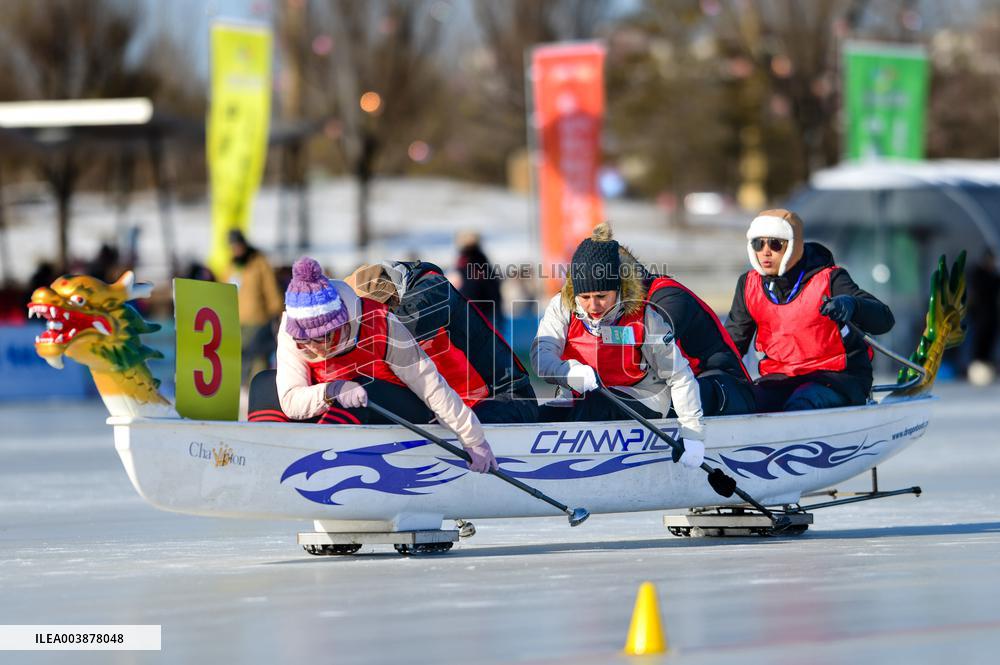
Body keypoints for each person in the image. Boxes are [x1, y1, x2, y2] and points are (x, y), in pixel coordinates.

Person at [253, 257, 497, 474]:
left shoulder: (380, 324)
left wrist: (473, 439)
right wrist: (332, 390)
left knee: (363, 388)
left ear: (341, 323)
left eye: (322, 338)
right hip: (341, 409)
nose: (314, 348)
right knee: (264, 383)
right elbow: (291, 401)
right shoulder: (290, 334)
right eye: (304, 341)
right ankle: (265, 458)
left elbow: (430, 386)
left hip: (399, 408)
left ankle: (320, 463)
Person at [531, 224, 705, 468]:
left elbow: (680, 376)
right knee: (536, 416)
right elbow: (541, 357)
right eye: (585, 297)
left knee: (595, 405)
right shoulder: (562, 306)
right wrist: (570, 373)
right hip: (583, 395)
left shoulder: (645, 317)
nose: (593, 306)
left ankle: (578, 471)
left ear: (618, 289)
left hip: (643, 397)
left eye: (602, 296)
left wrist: (693, 436)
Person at [725, 209, 895, 412]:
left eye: (775, 244)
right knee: (740, 403)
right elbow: (731, 344)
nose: (765, 252)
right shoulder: (748, 285)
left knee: (801, 402)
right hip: (780, 378)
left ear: (793, 246)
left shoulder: (830, 279)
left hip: (835, 378)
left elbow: (885, 320)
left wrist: (852, 304)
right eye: (757, 244)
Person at [345, 260, 538, 423]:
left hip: (506, 399)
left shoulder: (435, 290)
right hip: (455, 408)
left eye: (373, 313)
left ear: (393, 296)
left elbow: (404, 323)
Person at [604, 226, 755, 416]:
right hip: (691, 385)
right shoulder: (624, 307)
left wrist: (600, 334)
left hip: (728, 389)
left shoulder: (669, 297)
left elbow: (646, 338)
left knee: (658, 398)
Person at [223, 229, 284, 385]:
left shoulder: (258, 263)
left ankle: (257, 386)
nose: (236, 249)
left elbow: (270, 288)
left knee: (258, 357)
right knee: (241, 357)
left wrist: (277, 310)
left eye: (238, 245)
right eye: (233, 246)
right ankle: (242, 387)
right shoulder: (231, 266)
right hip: (236, 322)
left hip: (258, 320)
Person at [967, 249, 999, 385]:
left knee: (988, 346)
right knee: (978, 346)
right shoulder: (977, 274)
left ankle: (986, 371)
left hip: (991, 317)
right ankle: (976, 371)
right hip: (979, 318)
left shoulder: (993, 276)